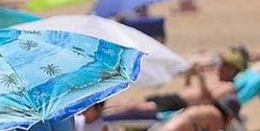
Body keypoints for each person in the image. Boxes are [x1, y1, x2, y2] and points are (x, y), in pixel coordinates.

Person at [105, 51, 245, 117]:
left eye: (225, 67)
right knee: (129, 102)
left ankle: (102, 116)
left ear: (233, 71)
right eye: (221, 65)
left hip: (179, 105)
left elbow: (209, 100)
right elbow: (187, 89)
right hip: (174, 98)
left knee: (133, 106)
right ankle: (98, 110)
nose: (220, 68)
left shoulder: (229, 87)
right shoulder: (215, 81)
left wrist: (202, 81)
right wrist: (190, 76)